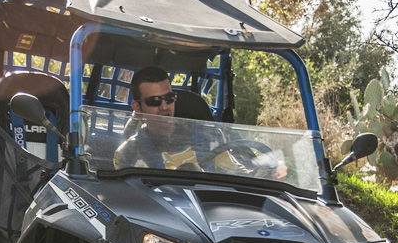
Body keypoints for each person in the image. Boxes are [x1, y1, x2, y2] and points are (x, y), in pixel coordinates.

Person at [114, 66, 288, 179]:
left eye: (169, 98)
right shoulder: (128, 153)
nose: (164, 106)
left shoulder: (208, 137)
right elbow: (133, 204)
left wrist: (270, 172)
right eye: (154, 101)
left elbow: (238, 176)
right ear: (137, 107)